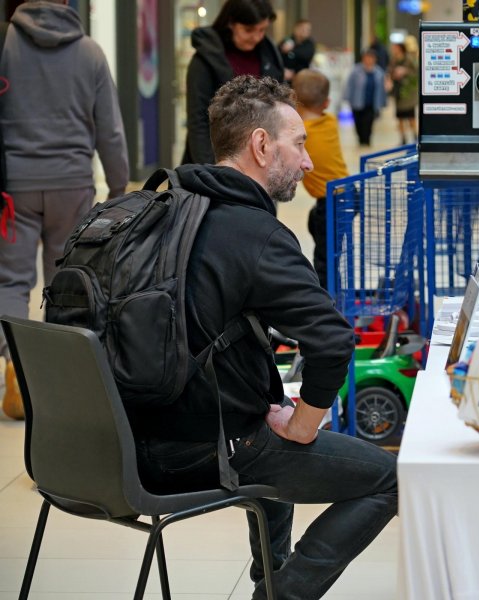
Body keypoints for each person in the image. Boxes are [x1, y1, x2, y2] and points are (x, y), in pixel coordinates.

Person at [132, 75, 397, 600]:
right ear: (260, 145)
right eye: (298, 144)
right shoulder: (256, 234)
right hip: (198, 450)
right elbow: (333, 341)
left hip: (116, 442)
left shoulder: (153, 211)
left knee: (266, 409)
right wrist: (303, 424)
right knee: (387, 477)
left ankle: (270, 576)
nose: (308, 162)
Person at [0, 0, 128, 420]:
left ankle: (16, 365)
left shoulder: (5, 44)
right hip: (72, 184)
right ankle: (54, 379)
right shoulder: (89, 51)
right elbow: (109, 127)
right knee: (65, 281)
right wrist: (118, 185)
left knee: (11, 281)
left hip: (14, 187)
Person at [182, 0, 283, 165]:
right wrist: (210, 169)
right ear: (230, 23)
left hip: (261, 158)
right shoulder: (205, 60)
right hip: (218, 156)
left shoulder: (269, 54)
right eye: (248, 30)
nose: (257, 37)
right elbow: (198, 120)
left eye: (262, 30)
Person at [293, 69, 349, 287]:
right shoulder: (331, 122)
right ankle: (334, 288)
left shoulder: (300, 136)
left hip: (331, 201)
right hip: (345, 193)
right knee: (324, 237)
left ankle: (327, 295)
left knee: (325, 256)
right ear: (326, 103)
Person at [343, 49, 386, 147]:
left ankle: (366, 140)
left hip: (371, 103)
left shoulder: (379, 72)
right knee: (358, 123)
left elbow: (382, 89)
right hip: (357, 101)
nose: (369, 60)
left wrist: (383, 102)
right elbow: (349, 85)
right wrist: (347, 98)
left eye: (371, 58)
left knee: (369, 122)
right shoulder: (355, 71)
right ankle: (361, 139)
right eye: (367, 58)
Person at [387, 42, 418, 145]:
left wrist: (405, 71)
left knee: (410, 117)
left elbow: (416, 72)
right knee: (400, 117)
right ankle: (403, 138)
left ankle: (415, 137)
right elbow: (390, 72)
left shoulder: (409, 59)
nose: (394, 50)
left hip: (408, 94)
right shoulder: (394, 60)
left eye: (395, 48)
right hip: (398, 92)